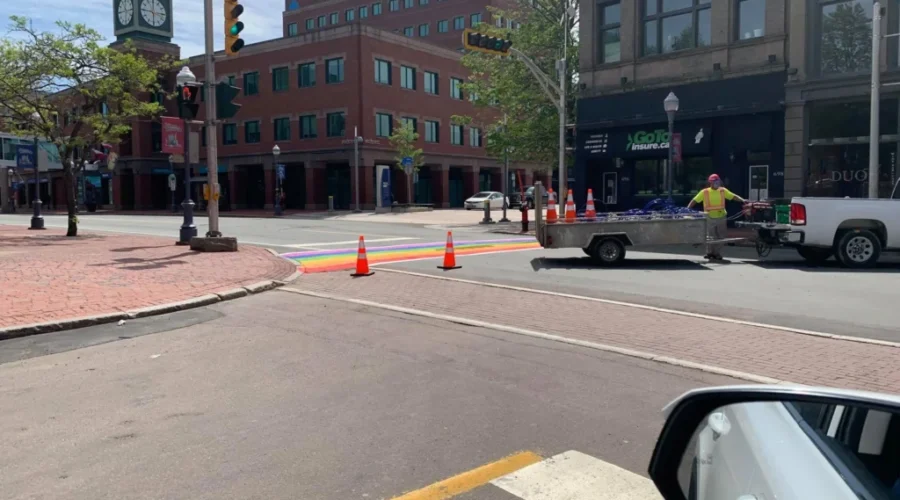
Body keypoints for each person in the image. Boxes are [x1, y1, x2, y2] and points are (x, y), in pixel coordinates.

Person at [687, 174, 746, 261]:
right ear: (710, 182)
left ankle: (716, 253)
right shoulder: (705, 192)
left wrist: (743, 200)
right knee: (710, 236)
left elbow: (733, 196)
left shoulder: (723, 191)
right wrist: (687, 209)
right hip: (709, 217)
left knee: (721, 236)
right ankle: (709, 253)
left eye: (718, 181)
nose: (717, 183)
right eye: (715, 181)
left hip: (721, 216)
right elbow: (694, 200)